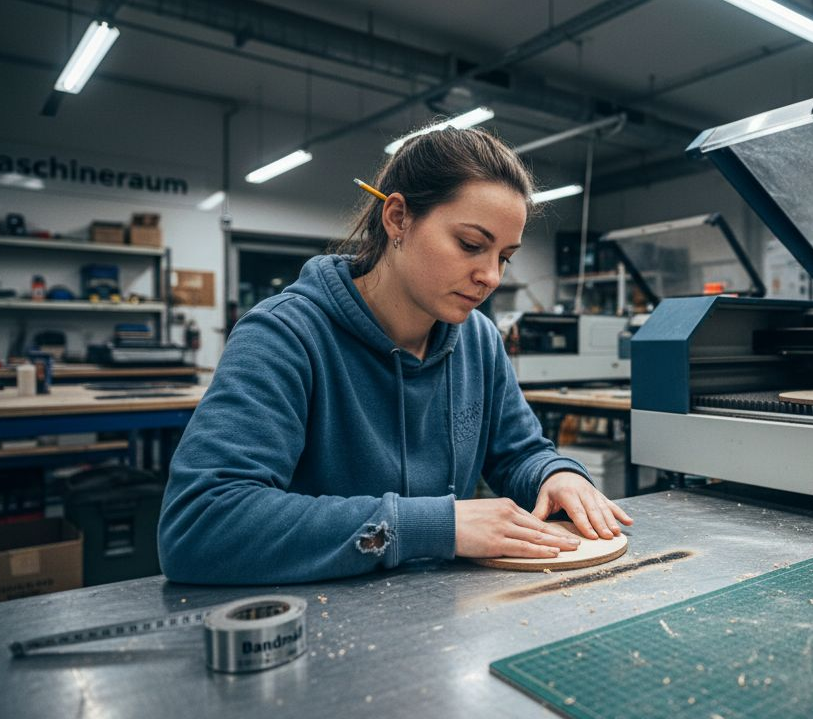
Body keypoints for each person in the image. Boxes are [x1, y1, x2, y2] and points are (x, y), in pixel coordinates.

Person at [158, 126, 632, 584]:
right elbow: (201, 524)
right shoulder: (284, 336)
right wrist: (436, 527)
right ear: (398, 218)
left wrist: (556, 474)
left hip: (442, 617)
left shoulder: (478, 341)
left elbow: (519, 452)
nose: (491, 276)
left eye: (504, 257)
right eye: (471, 245)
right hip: (313, 622)